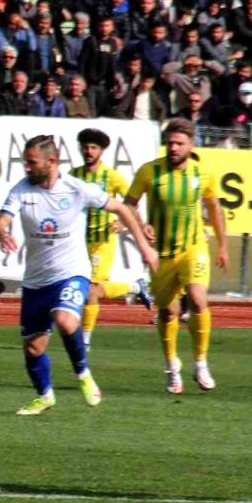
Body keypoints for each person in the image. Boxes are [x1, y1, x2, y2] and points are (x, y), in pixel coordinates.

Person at [0, 135, 156, 415]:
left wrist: (143, 246)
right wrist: (2, 233)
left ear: (51, 162)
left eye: (32, 163)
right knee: (33, 348)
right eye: (25, 163)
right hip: (36, 280)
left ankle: (83, 374)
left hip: (72, 272)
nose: (27, 168)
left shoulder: (76, 189)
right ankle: (45, 396)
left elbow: (121, 208)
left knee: (66, 321)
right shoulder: (21, 190)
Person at [123, 119, 228, 394]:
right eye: (169, 142)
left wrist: (224, 245)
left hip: (194, 248)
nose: (173, 147)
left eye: (179, 143)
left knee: (197, 298)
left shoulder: (201, 174)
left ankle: (201, 362)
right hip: (162, 255)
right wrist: (141, 224)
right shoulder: (149, 172)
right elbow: (128, 206)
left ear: (191, 145)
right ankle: (171, 366)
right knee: (168, 312)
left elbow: (214, 207)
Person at [70, 128, 153, 346]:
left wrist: (129, 222)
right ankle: (135, 287)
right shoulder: (73, 175)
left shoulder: (112, 177)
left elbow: (131, 203)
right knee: (79, 289)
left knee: (90, 292)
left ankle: (84, 342)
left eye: (93, 148)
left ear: (101, 151)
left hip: (102, 242)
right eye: (85, 147)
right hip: (78, 242)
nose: (88, 151)